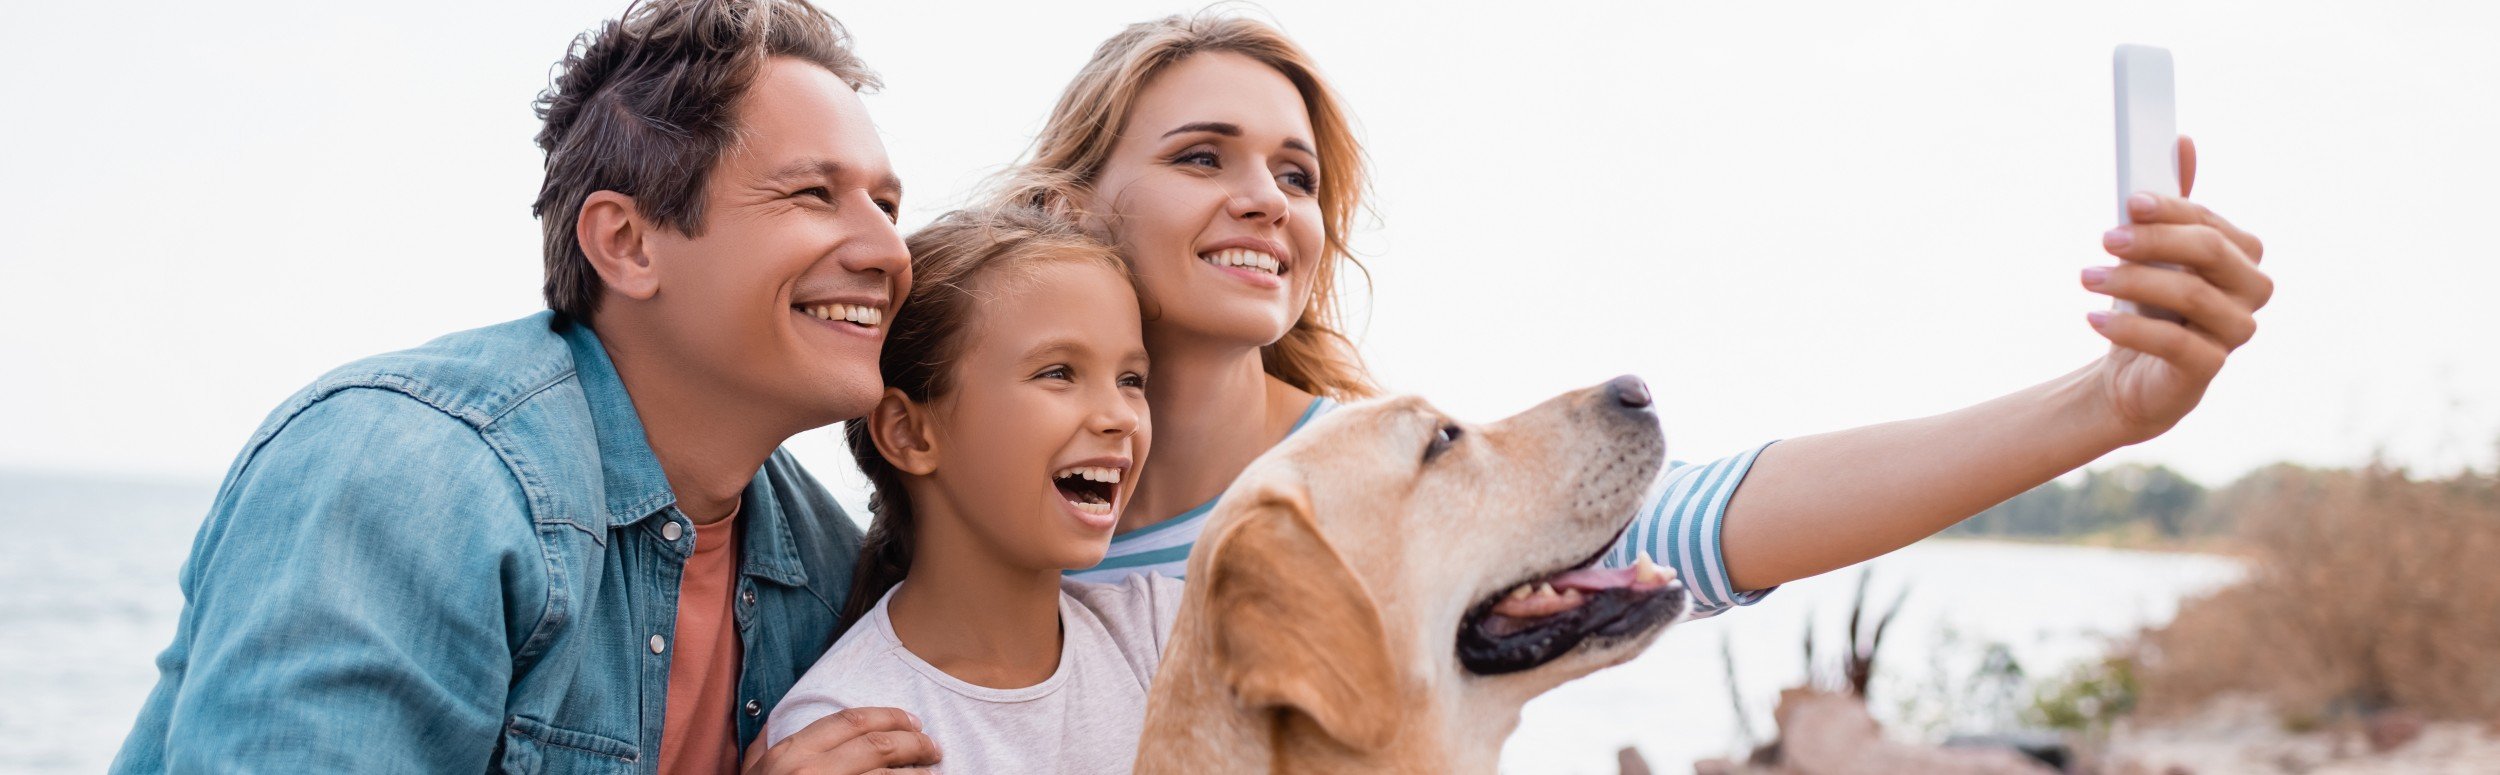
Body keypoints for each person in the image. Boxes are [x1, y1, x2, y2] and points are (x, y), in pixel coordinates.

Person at [1002, 13, 2271, 604]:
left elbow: (1705, 520)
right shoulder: (984, 521)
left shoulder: (1381, 482)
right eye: (1199, 156)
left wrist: (2100, 406)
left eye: (1295, 173)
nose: (1266, 201)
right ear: (1069, 208)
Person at [110, 2, 939, 772]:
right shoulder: (414, 479)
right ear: (628, 244)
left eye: (887, 205)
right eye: (813, 194)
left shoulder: (828, 561)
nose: (887, 251)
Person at [764, 205, 1176, 773]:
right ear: (908, 432)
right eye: (1057, 372)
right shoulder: (846, 735)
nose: (1121, 417)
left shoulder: (1162, 633)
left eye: (1131, 380)